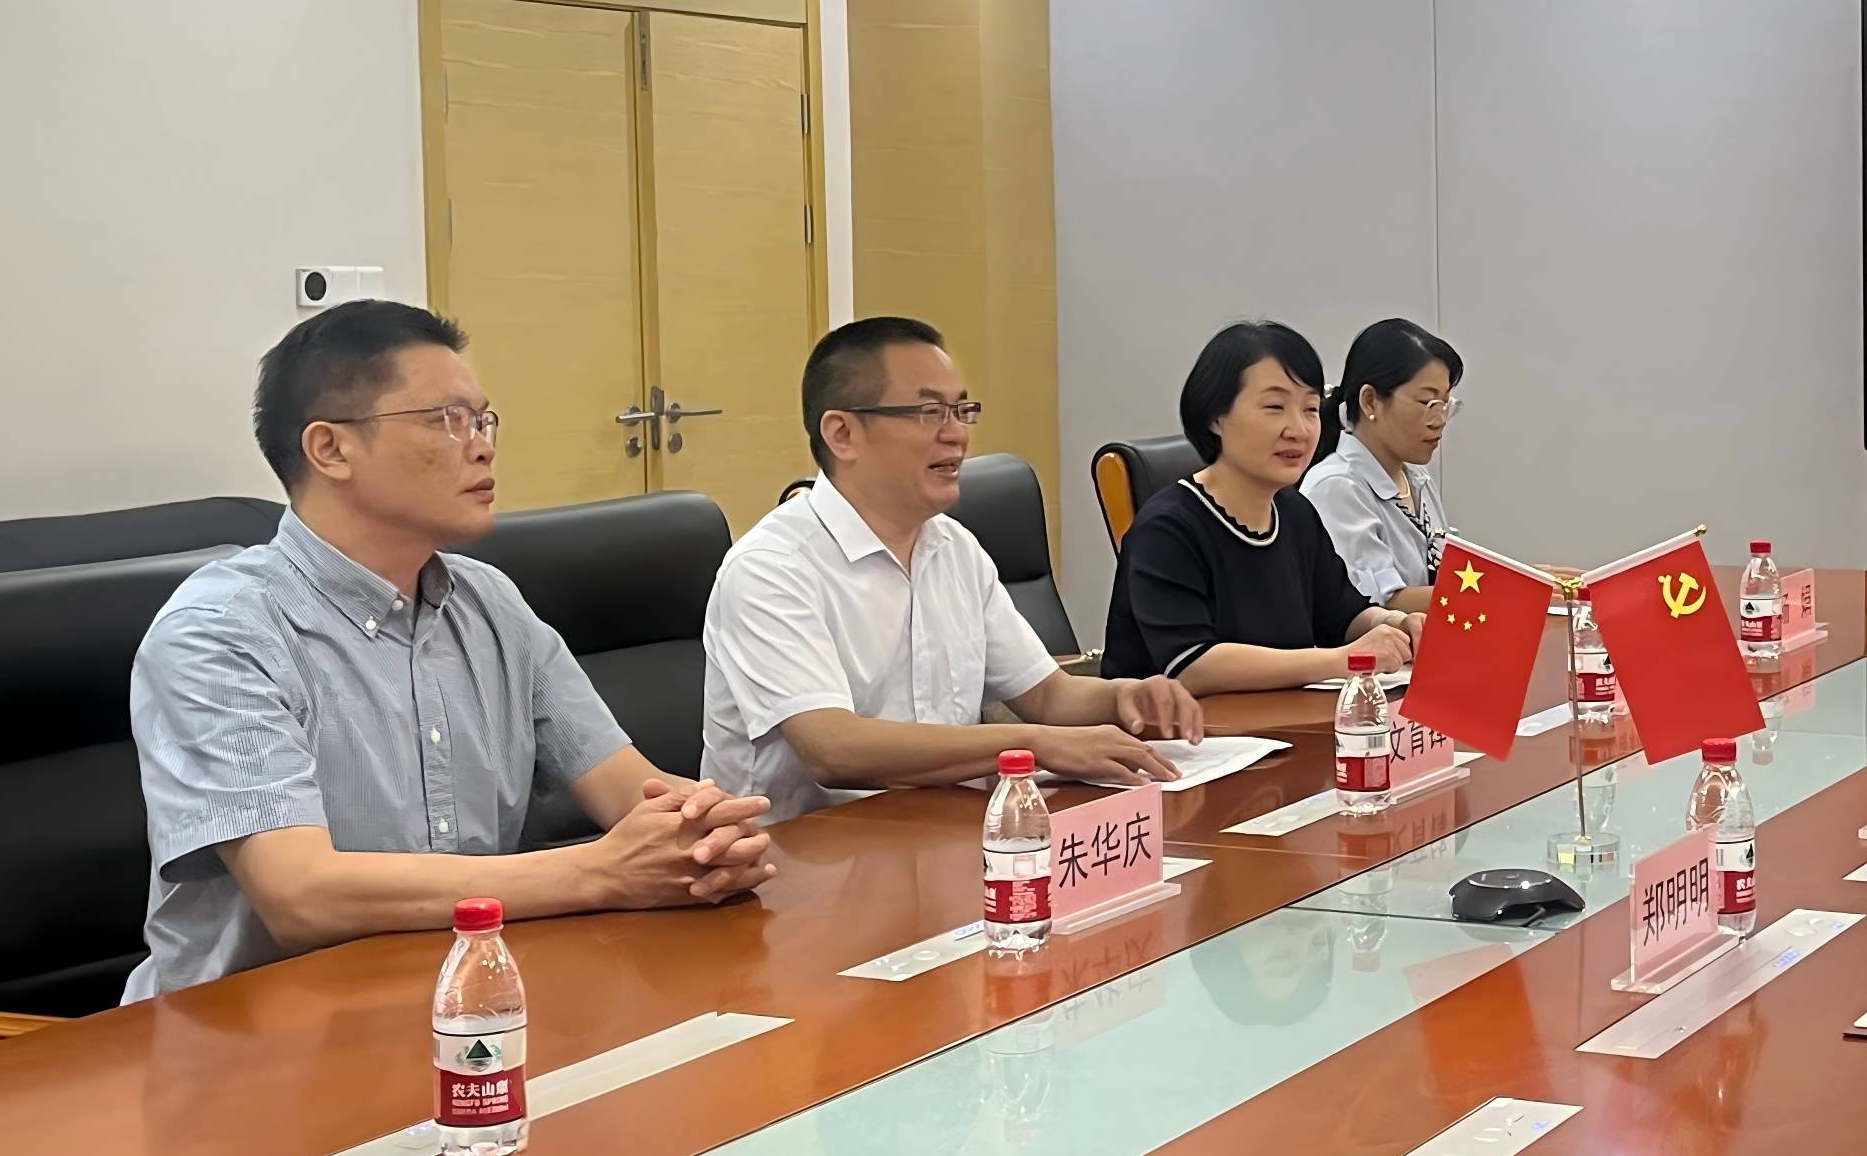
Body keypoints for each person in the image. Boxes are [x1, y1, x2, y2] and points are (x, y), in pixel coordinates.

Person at [128, 301, 775, 1001]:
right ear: (331, 449)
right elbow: (302, 894)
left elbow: (633, 791)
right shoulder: (220, 631)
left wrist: (706, 836)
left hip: (467, 1001)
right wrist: (600, 872)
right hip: (256, 1026)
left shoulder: (488, 601)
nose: (482, 446)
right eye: (446, 420)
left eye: (483, 420)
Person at [702, 316, 1206, 822]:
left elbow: (1048, 695)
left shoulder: (954, 546)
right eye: (930, 413)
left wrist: (1127, 696)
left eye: (962, 410)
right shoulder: (770, 569)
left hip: (947, 829)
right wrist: (1034, 744)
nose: (957, 435)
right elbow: (834, 748)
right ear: (843, 433)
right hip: (802, 853)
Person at [1101, 320, 1413, 691]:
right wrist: (1342, 660)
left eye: (1310, 409)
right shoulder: (1166, 528)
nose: (1298, 429)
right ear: (1215, 417)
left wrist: (1395, 625)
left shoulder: (1295, 513)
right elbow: (1193, 665)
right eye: (1275, 406)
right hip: (1179, 726)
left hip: (1280, 719)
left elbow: (1342, 616)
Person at [1300, 318, 1461, 612]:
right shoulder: (1336, 487)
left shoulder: (1417, 478)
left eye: (1445, 405)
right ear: (1370, 401)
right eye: (1428, 403)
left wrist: (1522, 579)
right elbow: (1380, 602)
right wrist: (1505, 589)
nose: (1439, 421)